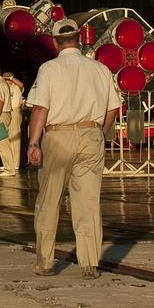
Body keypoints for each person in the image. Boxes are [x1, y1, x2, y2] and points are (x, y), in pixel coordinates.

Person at [26, 19, 121, 277]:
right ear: (79, 39)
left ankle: (45, 262)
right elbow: (113, 107)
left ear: (55, 42)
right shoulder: (100, 69)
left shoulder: (49, 68)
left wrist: (34, 143)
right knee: (88, 204)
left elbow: (40, 108)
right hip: (91, 135)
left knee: (49, 201)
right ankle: (90, 263)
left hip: (58, 137)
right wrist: (99, 132)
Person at [4, 72, 25, 170]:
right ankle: (8, 163)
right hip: (6, 112)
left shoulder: (16, 87)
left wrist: (12, 78)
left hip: (15, 111)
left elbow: (21, 85)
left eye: (7, 79)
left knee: (15, 136)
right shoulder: (3, 88)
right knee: (6, 137)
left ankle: (15, 164)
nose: (5, 81)